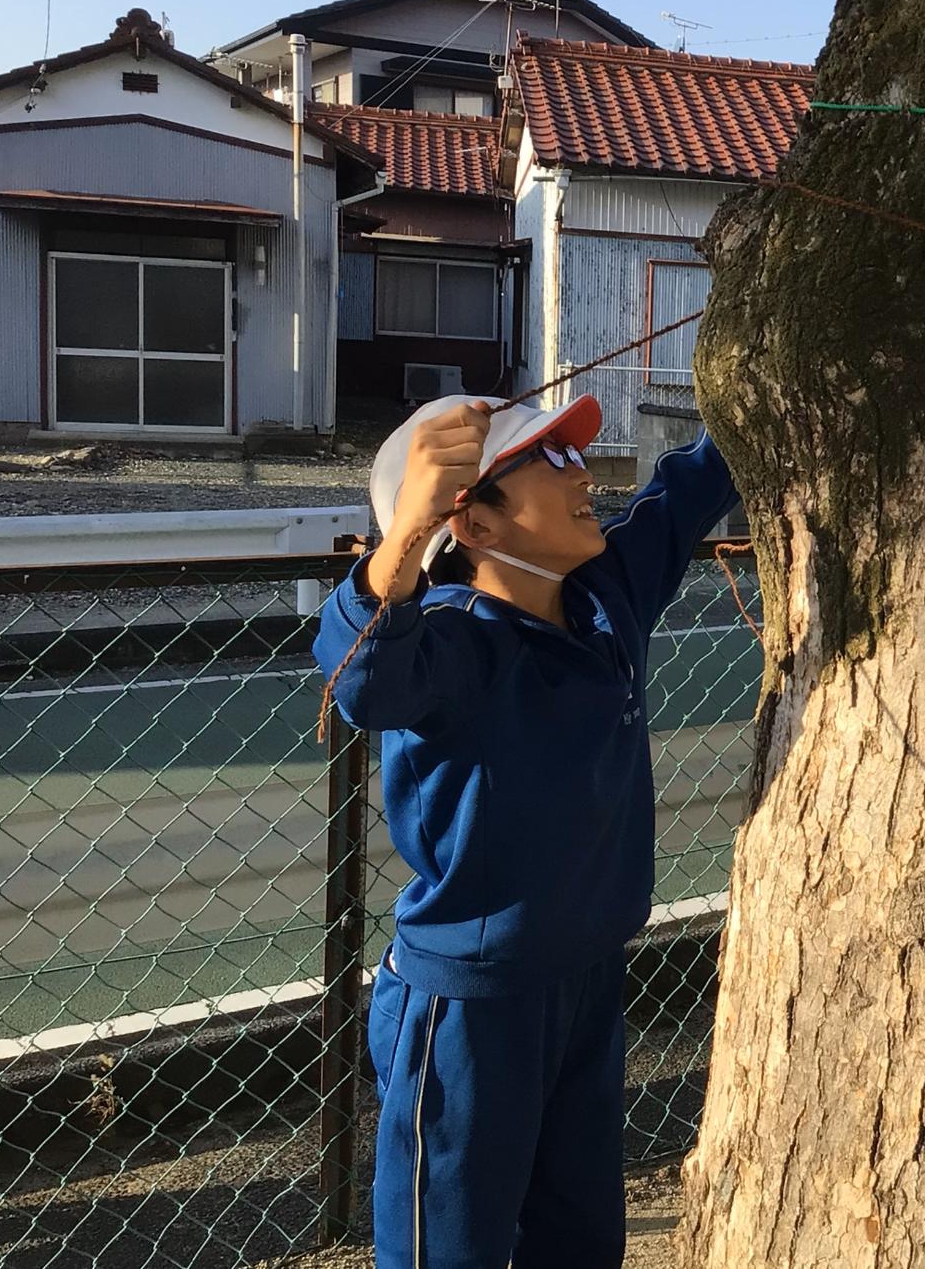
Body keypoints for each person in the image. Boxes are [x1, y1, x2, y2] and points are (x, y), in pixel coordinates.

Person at [314, 393, 737, 1269]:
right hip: (470, 1002)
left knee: (580, 1238)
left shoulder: (600, 601)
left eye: (575, 456)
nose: (584, 474)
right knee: (450, 1249)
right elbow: (361, 682)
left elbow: (690, 489)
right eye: (550, 462)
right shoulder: (454, 645)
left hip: (586, 978)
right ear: (472, 518)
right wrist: (402, 537)